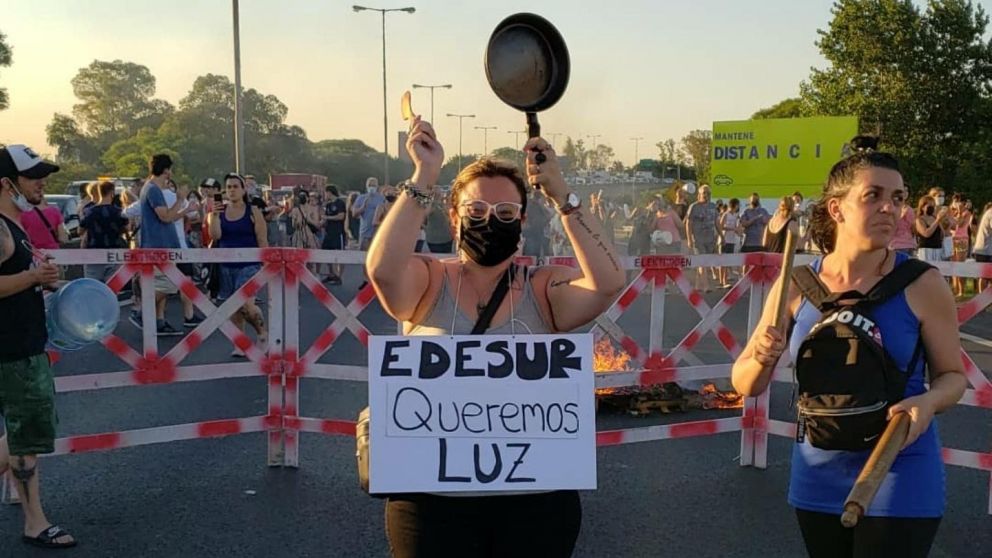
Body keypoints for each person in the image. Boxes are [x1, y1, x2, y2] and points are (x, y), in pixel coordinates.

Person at [367, 116, 625, 558]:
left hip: (535, 504)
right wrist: (424, 175)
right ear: (454, 219)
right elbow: (382, 270)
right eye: (477, 211)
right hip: (431, 504)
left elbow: (607, 282)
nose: (492, 221)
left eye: (506, 213)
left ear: (521, 221)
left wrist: (562, 194)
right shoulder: (428, 280)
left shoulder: (543, 288)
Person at [731, 140, 966, 558]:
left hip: (898, 469)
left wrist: (928, 402)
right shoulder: (797, 284)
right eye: (872, 196)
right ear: (836, 209)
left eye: (897, 198)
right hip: (816, 472)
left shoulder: (923, 284)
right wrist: (763, 358)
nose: (889, 209)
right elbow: (745, 382)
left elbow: (953, 377)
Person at [0, 145, 77, 548]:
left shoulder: (15, 226)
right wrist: (32, 279)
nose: (42, 182)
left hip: (21, 347)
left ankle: (34, 521)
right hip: (13, 352)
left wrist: (40, 278)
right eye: (33, 177)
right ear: (6, 183)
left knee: (23, 436)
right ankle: (35, 522)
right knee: (25, 435)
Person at [207, 173, 269, 358]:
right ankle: (240, 342)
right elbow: (215, 236)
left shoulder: (253, 211)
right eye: (229, 187)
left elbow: (262, 238)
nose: (232, 190)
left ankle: (262, 334)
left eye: (236, 186)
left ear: (243, 190)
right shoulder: (219, 212)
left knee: (245, 304)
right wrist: (215, 215)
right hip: (226, 265)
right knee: (233, 307)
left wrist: (266, 264)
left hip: (249, 264)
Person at [131, 154, 188, 336]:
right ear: (165, 170)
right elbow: (166, 217)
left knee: (159, 283)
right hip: (158, 244)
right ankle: (142, 312)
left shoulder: (149, 188)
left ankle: (157, 320)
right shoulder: (154, 190)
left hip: (158, 243)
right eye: (169, 170)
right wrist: (180, 201)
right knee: (170, 283)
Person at [80, 180, 129, 282]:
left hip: (94, 253)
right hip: (114, 253)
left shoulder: (90, 211)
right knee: (112, 287)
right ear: (112, 192)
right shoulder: (118, 212)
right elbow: (127, 229)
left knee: (93, 287)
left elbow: (80, 230)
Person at [685, 185, 718, 292]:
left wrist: (721, 236)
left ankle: (698, 285)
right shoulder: (694, 207)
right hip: (698, 239)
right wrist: (689, 239)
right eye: (704, 193)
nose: (706, 195)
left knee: (705, 262)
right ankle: (706, 286)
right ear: (699, 194)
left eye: (708, 193)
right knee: (702, 261)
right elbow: (688, 224)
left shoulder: (713, 206)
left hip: (710, 239)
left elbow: (716, 222)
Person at [321, 185, 347, 284]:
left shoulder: (340, 203)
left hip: (338, 232)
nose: (325, 195)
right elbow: (325, 219)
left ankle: (339, 276)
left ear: (329, 192)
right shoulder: (328, 205)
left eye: (325, 192)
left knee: (340, 254)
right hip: (328, 232)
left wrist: (327, 218)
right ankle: (331, 274)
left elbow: (341, 216)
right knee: (326, 252)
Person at [352, 177, 386, 251]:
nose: (372, 187)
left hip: (378, 233)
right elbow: (354, 214)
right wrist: (362, 207)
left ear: (377, 187)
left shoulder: (382, 199)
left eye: (374, 185)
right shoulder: (361, 198)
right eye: (370, 185)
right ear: (366, 186)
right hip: (364, 233)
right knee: (362, 256)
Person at [915, 196, 946, 264]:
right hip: (926, 250)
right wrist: (937, 220)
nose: (932, 208)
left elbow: (942, 234)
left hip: (938, 249)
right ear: (922, 207)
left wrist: (939, 219)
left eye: (933, 205)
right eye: (929, 206)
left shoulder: (934, 218)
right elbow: (926, 234)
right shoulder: (919, 219)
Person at [718, 198, 741, 287]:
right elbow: (720, 226)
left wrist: (739, 233)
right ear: (734, 205)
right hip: (724, 240)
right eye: (738, 205)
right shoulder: (726, 215)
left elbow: (736, 227)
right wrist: (732, 229)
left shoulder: (735, 215)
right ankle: (722, 281)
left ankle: (724, 280)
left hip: (731, 240)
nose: (738, 207)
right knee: (722, 261)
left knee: (728, 262)